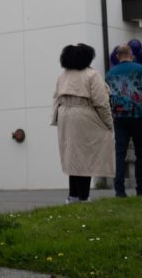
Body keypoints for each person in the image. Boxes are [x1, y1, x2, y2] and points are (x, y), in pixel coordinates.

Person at [52, 43, 115, 203]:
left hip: (65, 115)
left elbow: (56, 98)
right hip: (84, 115)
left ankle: (72, 195)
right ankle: (83, 196)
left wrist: (56, 118)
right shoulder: (91, 75)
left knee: (72, 155)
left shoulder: (63, 75)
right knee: (86, 155)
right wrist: (109, 123)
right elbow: (101, 102)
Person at [105, 44, 142, 197]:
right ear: (131, 54)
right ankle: (141, 189)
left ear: (118, 56)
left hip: (119, 117)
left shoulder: (110, 73)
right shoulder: (139, 69)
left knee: (120, 154)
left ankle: (119, 190)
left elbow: (108, 96)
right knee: (141, 153)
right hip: (138, 116)